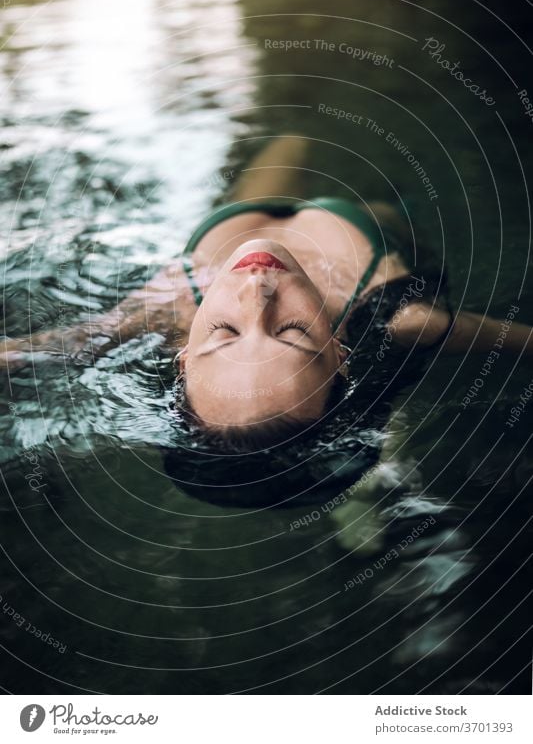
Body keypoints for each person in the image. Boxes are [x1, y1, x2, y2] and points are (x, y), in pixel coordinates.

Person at [2, 136, 532, 487]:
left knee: (292, 142)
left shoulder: (161, 311)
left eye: (226, 331)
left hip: (235, 220)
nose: (257, 292)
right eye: (293, 332)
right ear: (342, 357)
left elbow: (52, 346)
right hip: (370, 227)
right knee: (387, 205)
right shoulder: (408, 319)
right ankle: (371, 484)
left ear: (182, 356)